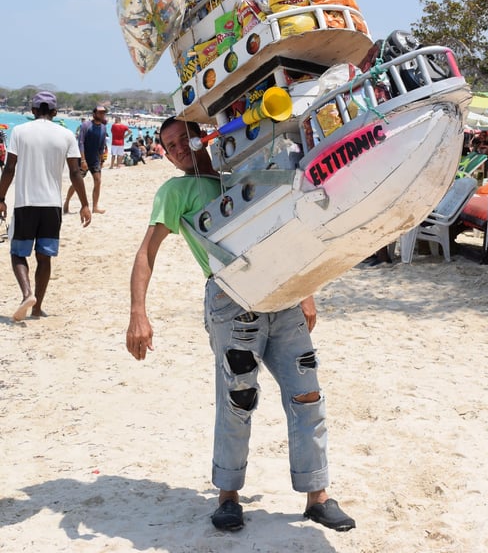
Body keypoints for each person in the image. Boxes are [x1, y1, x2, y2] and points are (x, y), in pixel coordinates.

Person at [125, 117, 355, 533]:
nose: (177, 149)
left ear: (201, 138)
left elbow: (286, 232)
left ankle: (317, 495)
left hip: (282, 295)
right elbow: (147, 252)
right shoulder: (175, 191)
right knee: (238, 400)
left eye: (183, 139)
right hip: (233, 302)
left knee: (307, 394)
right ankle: (228, 496)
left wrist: (305, 290)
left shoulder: (242, 176)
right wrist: (138, 312)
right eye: (168, 145)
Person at [0, 91, 91, 320]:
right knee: (44, 257)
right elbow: (75, 172)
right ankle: (37, 307)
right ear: (54, 112)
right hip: (52, 206)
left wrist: (0, 198)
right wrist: (85, 204)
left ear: (32, 111)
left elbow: (9, 169)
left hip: (25, 204)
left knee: (18, 253)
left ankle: (27, 293)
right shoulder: (66, 134)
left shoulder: (19, 132)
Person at [64, 105, 108, 214]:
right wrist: (83, 160)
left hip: (95, 160)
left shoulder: (103, 127)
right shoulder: (86, 125)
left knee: (98, 181)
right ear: (94, 114)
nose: (102, 114)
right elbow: (81, 143)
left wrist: (102, 160)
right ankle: (67, 202)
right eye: (100, 112)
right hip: (83, 158)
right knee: (77, 183)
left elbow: (102, 146)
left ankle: (95, 207)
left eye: (104, 112)